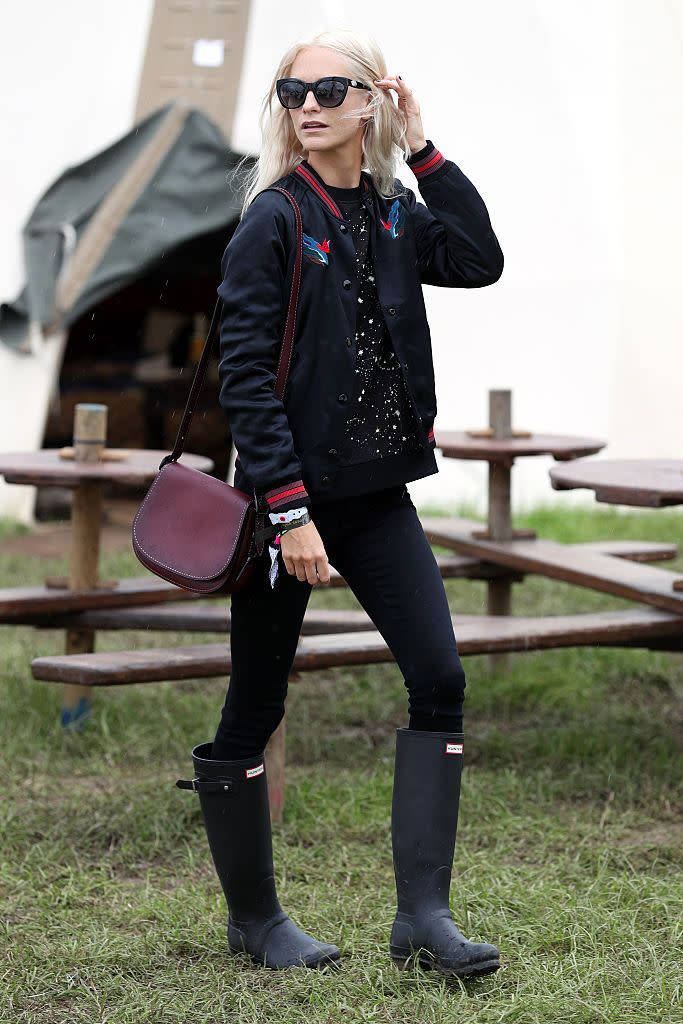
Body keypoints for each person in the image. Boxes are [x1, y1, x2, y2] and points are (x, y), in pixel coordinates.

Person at [176, 27, 504, 978]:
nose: (307, 105)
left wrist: (426, 144)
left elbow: (479, 258)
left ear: (370, 100)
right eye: (290, 92)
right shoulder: (272, 218)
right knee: (256, 701)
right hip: (288, 505)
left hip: (376, 495)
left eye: (327, 88)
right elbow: (244, 377)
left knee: (438, 677)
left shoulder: (397, 212)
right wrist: (287, 512)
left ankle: (423, 920)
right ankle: (255, 921)